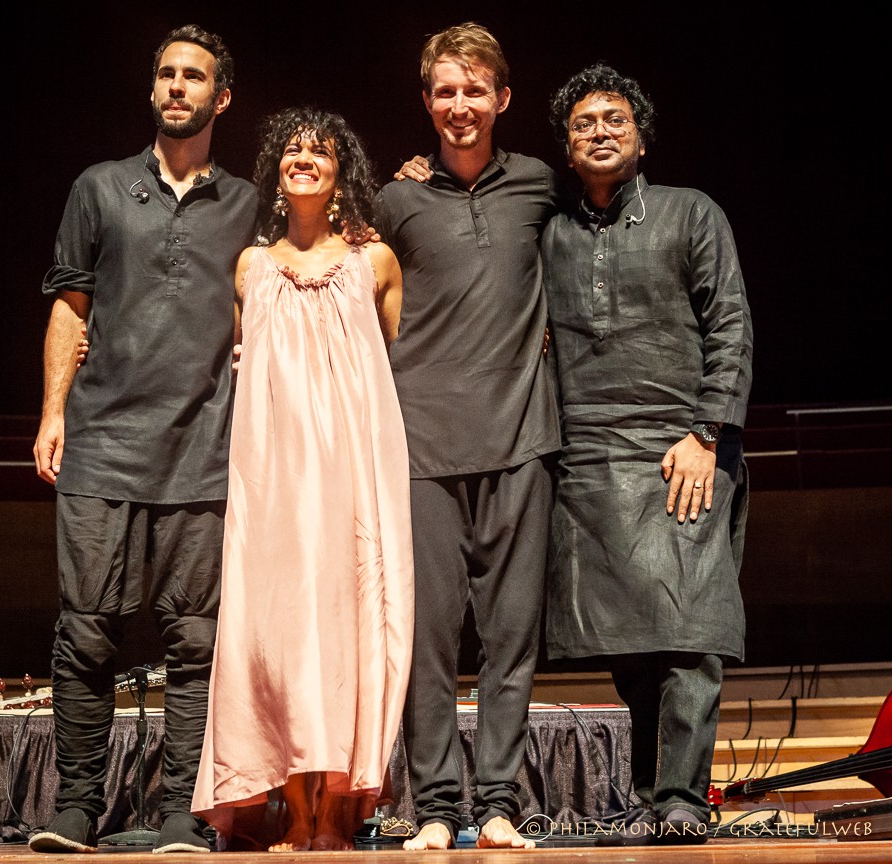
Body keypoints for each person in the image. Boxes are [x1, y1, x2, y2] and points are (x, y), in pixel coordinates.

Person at [28, 25, 259, 855]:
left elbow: (323, 243)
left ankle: (180, 814)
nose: (175, 86)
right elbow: (69, 306)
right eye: (165, 73)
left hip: (204, 449)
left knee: (195, 641)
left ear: (220, 97)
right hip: (102, 444)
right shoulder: (99, 187)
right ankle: (78, 808)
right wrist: (54, 411)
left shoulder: (247, 201)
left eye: (193, 76)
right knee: (84, 631)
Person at [189, 106, 413, 853]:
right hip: (274, 476)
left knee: (346, 627)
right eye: (291, 149)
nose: (303, 158)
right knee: (278, 631)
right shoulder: (251, 266)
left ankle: (337, 813)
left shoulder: (374, 262)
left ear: (342, 169)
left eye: (320, 150)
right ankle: (292, 806)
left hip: (351, 470)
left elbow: (390, 361)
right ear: (277, 173)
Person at [541, 63, 753, 846]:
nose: (601, 131)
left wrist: (706, 436)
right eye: (585, 123)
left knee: (689, 634)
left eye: (615, 120)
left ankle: (683, 798)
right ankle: (645, 795)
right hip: (591, 456)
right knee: (628, 643)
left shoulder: (690, 214)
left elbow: (730, 325)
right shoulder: (552, 230)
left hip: (682, 447)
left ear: (640, 136)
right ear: (567, 147)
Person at [373, 22, 563, 851]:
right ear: (426, 102)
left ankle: (497, 804)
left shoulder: (539, 186)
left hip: (522, 442)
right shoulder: (396, 200)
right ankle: (438, 808)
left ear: (503, 98)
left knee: (512, 640)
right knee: (429, 642)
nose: (460, 106)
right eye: (445, 92)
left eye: (474, 90)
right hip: (420, 449)